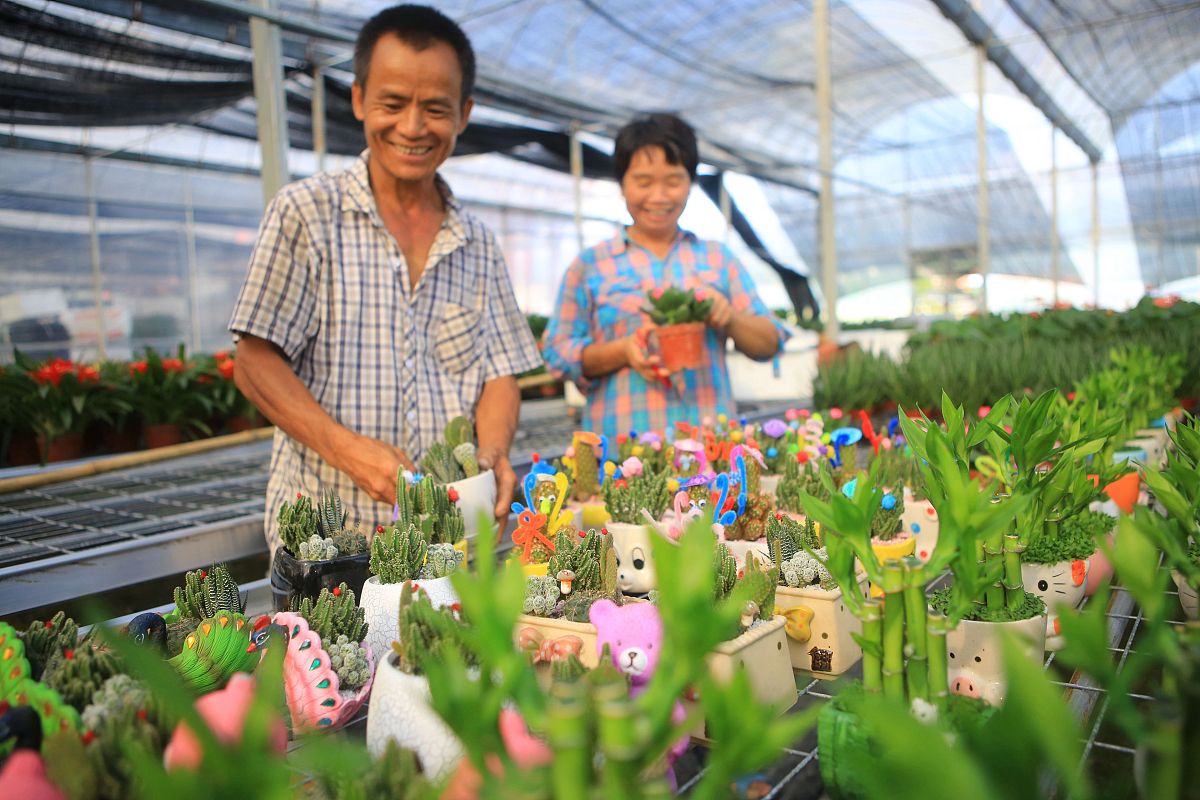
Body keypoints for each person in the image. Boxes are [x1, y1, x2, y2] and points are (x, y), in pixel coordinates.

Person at [229, 5, 541, 552]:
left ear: (464, 113)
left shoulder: (478, 242)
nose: (413, 127)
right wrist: (346, 449)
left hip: (451, 538)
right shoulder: (307, 213)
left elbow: (499, 375)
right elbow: (254, 363)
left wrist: (491, 454)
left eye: (436, 109)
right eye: (392, 104)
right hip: (330, 537)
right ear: (358, 99)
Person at [542, 113, 788, 437]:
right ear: (622, 184)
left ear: (690, 182)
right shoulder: (590, 266)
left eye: (673, 180)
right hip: (624, 462)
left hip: (710, 453)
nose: (658, 196)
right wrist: (623, 351)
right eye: (643, 182)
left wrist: (730, 319)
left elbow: (770, 341)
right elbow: (556, 352)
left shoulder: (717, 259)